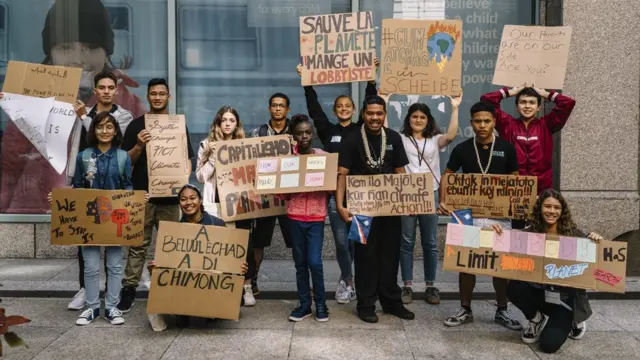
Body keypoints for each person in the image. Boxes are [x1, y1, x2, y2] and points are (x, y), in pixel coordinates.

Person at [1, 0, 144, 214]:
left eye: (92, 47)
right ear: (51, 52)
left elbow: (139, 168)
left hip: (104, 216)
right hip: (36, 213)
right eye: (66, 48)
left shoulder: (130, 105)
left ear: (107, 52)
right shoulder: (31, 100)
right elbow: (8, 169)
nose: (78, 59)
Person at [47, 112, 143, 325]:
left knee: (115, 265)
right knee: (90, 266)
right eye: (100, 127)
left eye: (109, 127)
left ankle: (111, 307)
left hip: (115, 218)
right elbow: (79, 187)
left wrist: (135, 200)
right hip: (88, 219)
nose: (105, 131)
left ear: (115, 131)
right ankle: (91, 308)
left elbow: (127, 185)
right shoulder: (83, 156)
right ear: (94, 130)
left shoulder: (123, 157)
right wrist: (61, 196)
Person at [296, 60, 379, 304]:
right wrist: (307, 84)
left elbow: (370, 105)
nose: (343, 109)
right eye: (339, 106)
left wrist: (371, 80)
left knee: (357, 241)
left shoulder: (361, 129)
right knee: (342, 242)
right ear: (335, 111)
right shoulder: (327, 130)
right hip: (335, 195)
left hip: (360, 194)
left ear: (354, 110)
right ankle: (348, 280)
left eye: (347, 106)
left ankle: (355, 279)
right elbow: (314, 112)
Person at [438, 101, 522, 330]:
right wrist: (443, 201)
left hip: (499, 218)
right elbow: (448, 175)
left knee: (500, 265)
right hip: (469, 217)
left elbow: (515, 180)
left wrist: (516, 206)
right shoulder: (463, 149)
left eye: (487, 121)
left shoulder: (506, 147)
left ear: (494, 121)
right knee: (467, 263)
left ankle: (502, 310)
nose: (482, 125)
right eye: (478, 121)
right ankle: (465, 309)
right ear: (471, 122)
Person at [117, 78, 195, 313]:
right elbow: (124, 162)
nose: (158, 97)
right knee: (138, 245)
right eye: (154, 94)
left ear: (168, 97)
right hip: (143, 197)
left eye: (162, 93)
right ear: (148, 97)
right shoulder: (136, 125)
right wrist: (139, 145)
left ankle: (171, 287)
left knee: (171, 246)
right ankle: (129, 288)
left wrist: (182, 183)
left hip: (171, 199)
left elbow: (187, 160)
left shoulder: (178, 125)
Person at [336, 95, 415, 323]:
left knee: (390, 255)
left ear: (384, 115)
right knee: (365, 257)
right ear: (363, 114)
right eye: (370, 113)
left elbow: (401, 172)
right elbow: (342, 174)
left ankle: (391, 302)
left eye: (379, 113)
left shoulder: (393, 138)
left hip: (390, 208)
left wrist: (410, 200)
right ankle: (366, 304)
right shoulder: (351, 138)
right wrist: (341, 206)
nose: (374, 118)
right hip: (361, 210)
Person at [492, 189, 601, 353]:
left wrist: (595, 240)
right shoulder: (530, 232)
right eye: (547, 206)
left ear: (562, 211)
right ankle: (535, 319)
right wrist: (497, 231)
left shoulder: (574, 235)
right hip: (541, 294)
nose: (551, 211)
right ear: (540, 208)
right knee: (514, 286)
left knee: (548, 346)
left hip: (564, 301)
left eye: (556, 207)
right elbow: (508, 243)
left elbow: (596, 262)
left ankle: (574, 320)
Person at [65, 70, 134, 311]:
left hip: (112, 184)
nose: (106, 91)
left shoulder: (124, 116)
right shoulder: (82, 111)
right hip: (86, 180)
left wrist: (84, 117)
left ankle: (110, 297)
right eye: (101, 87)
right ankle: (86, 290)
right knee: (85, 239)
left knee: (112, 243)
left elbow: (112, 137)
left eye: (110, 87)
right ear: (95, 90)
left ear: (116, 90)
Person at [147, 184, 249, 330]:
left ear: (200, 200)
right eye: (183, 199)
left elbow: (229, 256)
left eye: (192, 198)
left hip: (211, 284)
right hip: (188, 286)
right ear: (180, 204)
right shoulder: (174, 230)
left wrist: (239, 267)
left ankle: (214, 308)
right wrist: (155, 269)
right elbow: (169, 263)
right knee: (183, 323)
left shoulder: (217, 224)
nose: (188, 203)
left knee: (199, 322)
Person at [398, 95, 462, 305]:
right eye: (414, 116)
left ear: (428, 120)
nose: (418, 120)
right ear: (408, 119)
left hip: (430, 193)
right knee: (406, 241)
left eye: (422, 117)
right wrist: (384, 98)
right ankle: (407, 285)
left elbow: (451, 135)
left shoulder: (435, 140)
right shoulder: (400, 138)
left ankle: (430, 285)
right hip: (407, 194)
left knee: (430, 242)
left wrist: (455, 108)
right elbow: (384, 131)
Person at [195, 105, 256, 306]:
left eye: (232, 120)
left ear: (236, 124)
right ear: (218, 123)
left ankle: (246, 287)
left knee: (243, 244)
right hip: (216, 203)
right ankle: (223, 286)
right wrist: (213, 157)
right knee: (219, 246)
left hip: (239, 203)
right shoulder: (206, 145)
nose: (228, 124)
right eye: (224, 120)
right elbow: (201, 177)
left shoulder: (243, 144)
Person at [278, 114, 330, 322]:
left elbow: (333, 187)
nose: (304, 136)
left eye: (307, 132)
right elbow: (281, 194)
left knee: (315, 262)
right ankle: (304, 304)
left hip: (316, 218)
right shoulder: (289, 161)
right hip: (295, 216)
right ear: (293, 137)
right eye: (299, 133)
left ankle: (321, 303)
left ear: (313, 133)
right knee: (300, 263)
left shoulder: (324, 157)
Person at [480, 85, 576, 193]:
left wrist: (545, 94)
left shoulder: (547, 124)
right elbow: (486, 100)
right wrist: (511, 92)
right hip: (512, 187)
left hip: (541, 188)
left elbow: (568, 103)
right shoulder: (506, 124)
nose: (527, 106)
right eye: (523, 102)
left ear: (538, 107)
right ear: (516, 106)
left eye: (532, 102)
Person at [248, 93, 295, 296]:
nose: (277, 109)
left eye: (281, 106)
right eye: (274, 105)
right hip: (265, 197)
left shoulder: (296, 131)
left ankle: (305, 280)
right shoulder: (257, 133)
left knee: (296, 241)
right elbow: (247, 161)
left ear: (287, 109)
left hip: (290, 197)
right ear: (269, 109)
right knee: (258, 242)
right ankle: (253, 281)